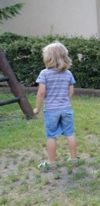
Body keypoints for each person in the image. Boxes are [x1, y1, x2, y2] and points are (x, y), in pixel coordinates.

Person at [32, 41, 79, 171]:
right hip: (66, 109)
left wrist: (37, 108)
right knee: (70, 133)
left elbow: (41, 93)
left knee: (51, 136)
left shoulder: (44, 74)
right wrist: (64, 101)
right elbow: (71, 92)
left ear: (48, 57)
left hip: (51, 111)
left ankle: (51, 162)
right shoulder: (68, 74)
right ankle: (74, 159)